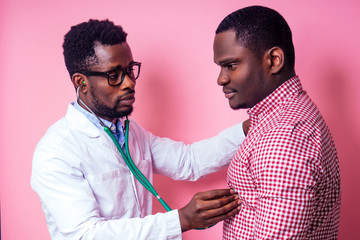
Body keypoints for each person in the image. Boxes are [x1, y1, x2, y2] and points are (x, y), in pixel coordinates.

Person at [31, 19, 248, 240]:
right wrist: (181, 220)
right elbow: (86, 234)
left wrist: (248, 128)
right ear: (81, 82)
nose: (129, 83)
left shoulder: (130, 131)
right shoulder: (56, 151)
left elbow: (188, 161)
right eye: (113, 75)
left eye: (130, 70)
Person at [213, 6, 341, 239]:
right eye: (220, 67)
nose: (221, 78)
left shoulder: (283, 139)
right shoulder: (288, 115)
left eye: (231, 65)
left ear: (274, 60)